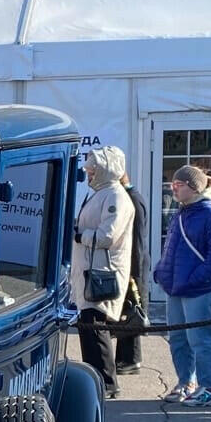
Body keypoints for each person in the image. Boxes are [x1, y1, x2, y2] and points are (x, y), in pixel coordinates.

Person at [152, 165, 211, 407]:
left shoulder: (209, 214)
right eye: (173, 185)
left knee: (200, 338)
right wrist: (161, 271)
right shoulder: (181, 212)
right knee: (178, 338)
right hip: (175, 286)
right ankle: (186, 382)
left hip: (196, 288)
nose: (174, 189)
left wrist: (197, 277)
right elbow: (172, 248)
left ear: (194, 187)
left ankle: (209, 388)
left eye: (179, 185)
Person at [69, 146, 133, 399]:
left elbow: (107, 236)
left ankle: (107, 382)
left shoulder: (115, 196)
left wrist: (78, 235)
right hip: (89, 269)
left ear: (107, 168)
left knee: (96, 326)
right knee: (88, 324)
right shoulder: (99, 194)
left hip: (102, 272)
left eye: (93, 167)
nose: (88, 171)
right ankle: (95, 378)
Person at [114, 175, 150, 373]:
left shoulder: (132, 199)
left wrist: (132, 272)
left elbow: (137, 239)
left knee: (132, 310)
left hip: (134, 263)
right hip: (132, 262)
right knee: (127, 311)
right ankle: (125, 357)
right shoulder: (130, 197)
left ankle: (131, 359)